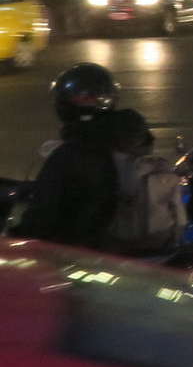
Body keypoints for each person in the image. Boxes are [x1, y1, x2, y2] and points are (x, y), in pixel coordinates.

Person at [16, 64, 153, 252]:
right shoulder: (134, 140)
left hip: (85, 258)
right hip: (133, 250)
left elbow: (40, 221)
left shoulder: (68, 156)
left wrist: (13, 241)